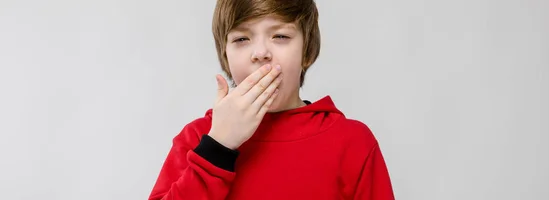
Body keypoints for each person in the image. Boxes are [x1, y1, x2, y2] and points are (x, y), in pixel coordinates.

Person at [148, 0, 395, 199]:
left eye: (280, 36)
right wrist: (218, 148)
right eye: (241, 39)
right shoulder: (198, 138)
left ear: (306, 51)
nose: (260, 53)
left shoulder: (352, 143)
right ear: (225, 55)